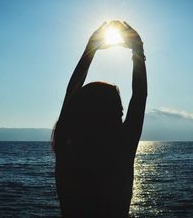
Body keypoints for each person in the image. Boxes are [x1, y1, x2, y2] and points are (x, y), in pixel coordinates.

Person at [52, 20, 147, 218]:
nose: (121, 117)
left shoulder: (66, 149)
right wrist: (138, 52)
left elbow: (71, 94)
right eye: (118, 112)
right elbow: (139, 96)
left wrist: (90, 50)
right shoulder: (121, 151)